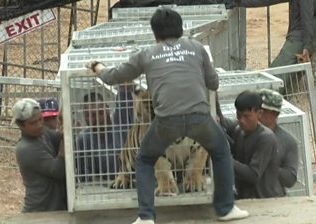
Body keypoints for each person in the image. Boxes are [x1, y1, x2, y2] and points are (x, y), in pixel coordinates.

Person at [87, 8, 249, 224]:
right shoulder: (197, 48)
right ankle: (226, 209)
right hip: (199, 117)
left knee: (144, 159)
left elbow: (111, 77)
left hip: (166, 120)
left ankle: (146, 217)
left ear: (154, 34)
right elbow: (214, 83)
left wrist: (97, 66)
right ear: (181, 30)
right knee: (221, 151)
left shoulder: (146, 54)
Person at [221, 90, 284, 199]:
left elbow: (253, 174)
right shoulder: (239, 131)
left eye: (246, 116)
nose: (242, 121)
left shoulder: (266, 138)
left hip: (264, 200)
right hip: (245, 198)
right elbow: (222, 122)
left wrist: (225, 159)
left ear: (259, 113)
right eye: (238, 116)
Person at [13, 98, 67, 212]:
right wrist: (65, 137)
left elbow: (58, 136)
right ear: (20, 125)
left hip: (52, 209)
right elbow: (58, 171)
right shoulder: (26, 149)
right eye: (33, 123)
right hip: (40, 211)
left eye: (40, 120)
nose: (39, 125)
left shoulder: (42, 133)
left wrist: (64, 122)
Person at [235, 0, 316, 66]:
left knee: (273, 79)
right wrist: (237, 2)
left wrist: (307, 46)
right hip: (303, 36)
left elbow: (307, 17)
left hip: (303, 39)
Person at [77, 85, 134, 181]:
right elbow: (85, 176)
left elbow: (124, 99)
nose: (98, 119)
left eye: (100, 112)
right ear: (85, 117)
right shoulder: (83, 139)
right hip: (101, 190)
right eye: (92, 115)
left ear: (107, 109)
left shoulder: (120, 123)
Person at [259, 88, 299, 194]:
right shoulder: (242, 133)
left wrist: (268, 165)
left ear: (275, 113)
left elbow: (290, 179)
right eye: (261, 110)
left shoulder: (288, 141)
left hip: (273, 198)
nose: (263, 114)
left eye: (269, 112)